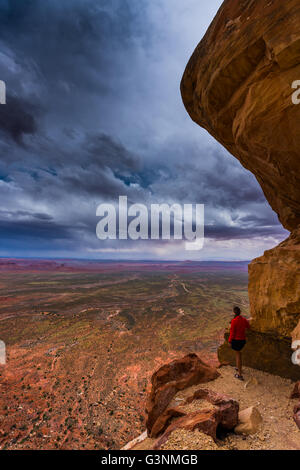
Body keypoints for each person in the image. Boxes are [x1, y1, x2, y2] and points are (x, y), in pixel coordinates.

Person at [228, 306, 250, 381]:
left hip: (236, 341)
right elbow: (248, 326)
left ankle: (239, 375)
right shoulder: (243, 319)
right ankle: (238, 367)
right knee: (239, 354)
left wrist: (230, 341)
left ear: (234, 313)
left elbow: (232, 333)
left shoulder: (234, 321)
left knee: (238, 355)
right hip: (242, 340)